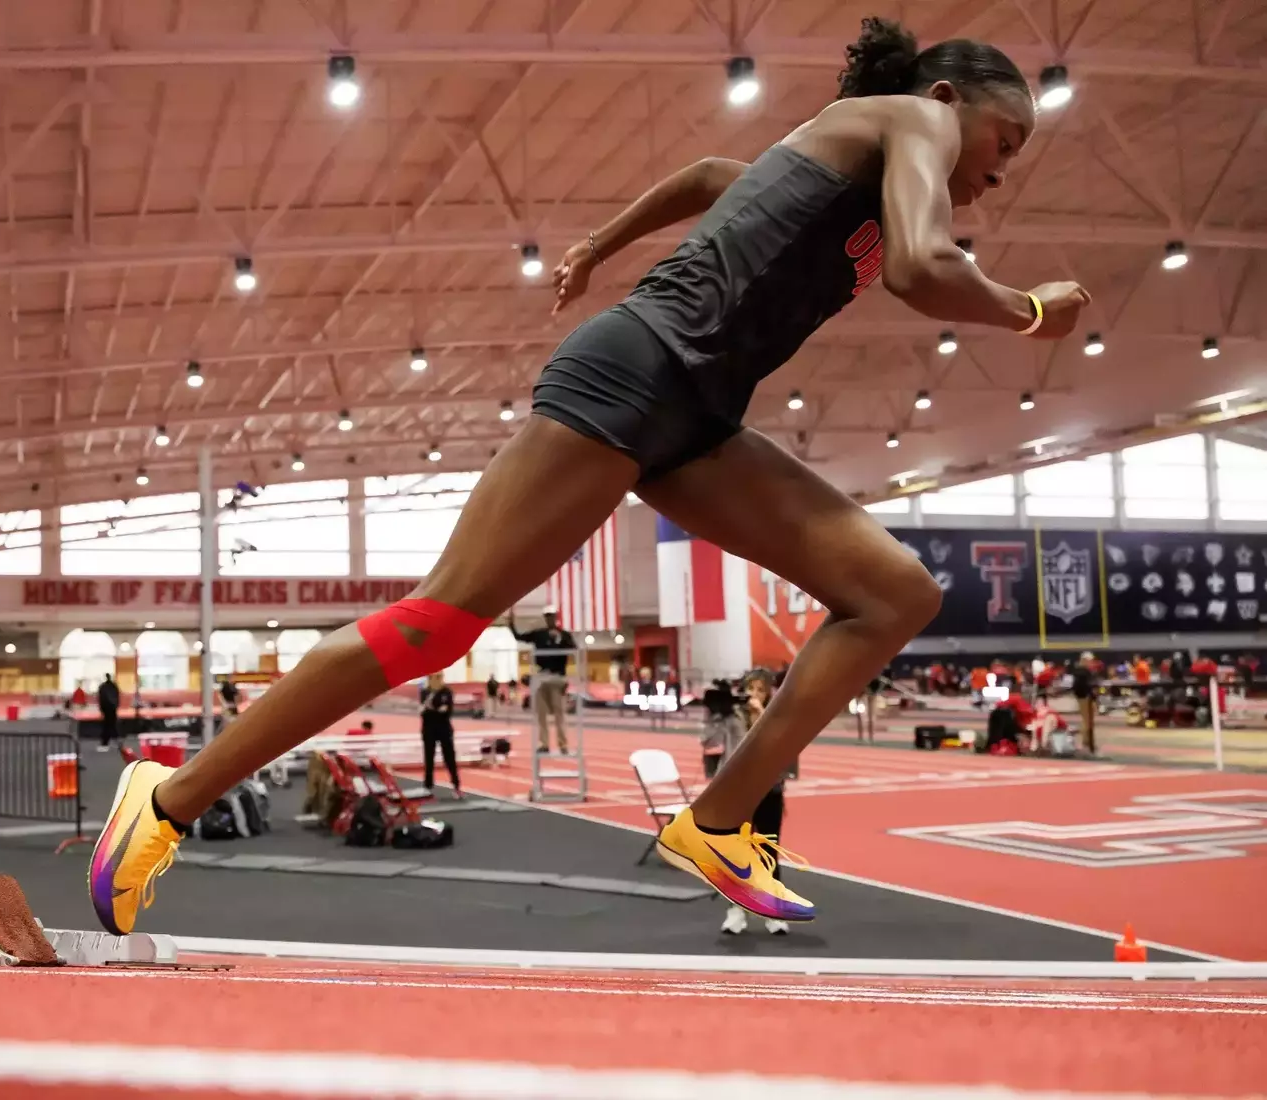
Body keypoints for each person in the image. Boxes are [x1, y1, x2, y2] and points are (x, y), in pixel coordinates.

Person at [87, 16, 1088, 937]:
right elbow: (921, 266)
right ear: (949, 99)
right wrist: (1032, 310)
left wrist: (600, 242)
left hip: (699, 416)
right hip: (633, 372)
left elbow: (712, 175)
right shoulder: (916, 120)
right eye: (1006, 142)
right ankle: (164, 802)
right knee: (439, 624)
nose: (1000, 173)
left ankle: (719, 819)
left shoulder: (847, 158)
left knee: (894, 593)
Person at [722, 673, 799, 936]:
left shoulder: (776, 717)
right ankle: (736, 911)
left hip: (769, 790)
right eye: (750, 689)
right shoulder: (733, 717)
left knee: (768, 852)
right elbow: (714, 744)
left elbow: (781, 745)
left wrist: (762, 715)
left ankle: (772, 911)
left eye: (760, 690)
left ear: (768, 694)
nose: (755, 694)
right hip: (739, 792)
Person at [508, 606, 576, 753]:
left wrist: (558, 639)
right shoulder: (539, 634)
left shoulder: (564, 635)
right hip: (541, 676)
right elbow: (519, 637)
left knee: (559, 713)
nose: (550, 619)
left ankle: (563, 744)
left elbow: (574, 648)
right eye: (547, 616)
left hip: (557, 676)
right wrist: (511, 624)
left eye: (552, 616)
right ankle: (544, 744)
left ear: (556, 617)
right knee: (541, 713)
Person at [419, 673, 461, 798]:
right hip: (428, 729)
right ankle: (428, 786)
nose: (439, 679)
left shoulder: (447, 692)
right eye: (436, 677)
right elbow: (423, 712)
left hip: (444, 729)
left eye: (440, 677)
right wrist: (436, 710)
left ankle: (456, 785)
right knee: (428, 758)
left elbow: (447, 711)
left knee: (449, 757)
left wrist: (433, 709)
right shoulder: (425, 692)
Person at [97, 673, 121, 752]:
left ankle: (105, 743)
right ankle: (117, 742)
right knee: (113, 725)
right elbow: (117, 697)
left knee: (106, 726)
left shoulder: (103, 687)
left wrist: (101, 709)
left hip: (106, 709)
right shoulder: (114, 686)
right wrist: (116, 706)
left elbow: (101, 699)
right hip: (112, 709)